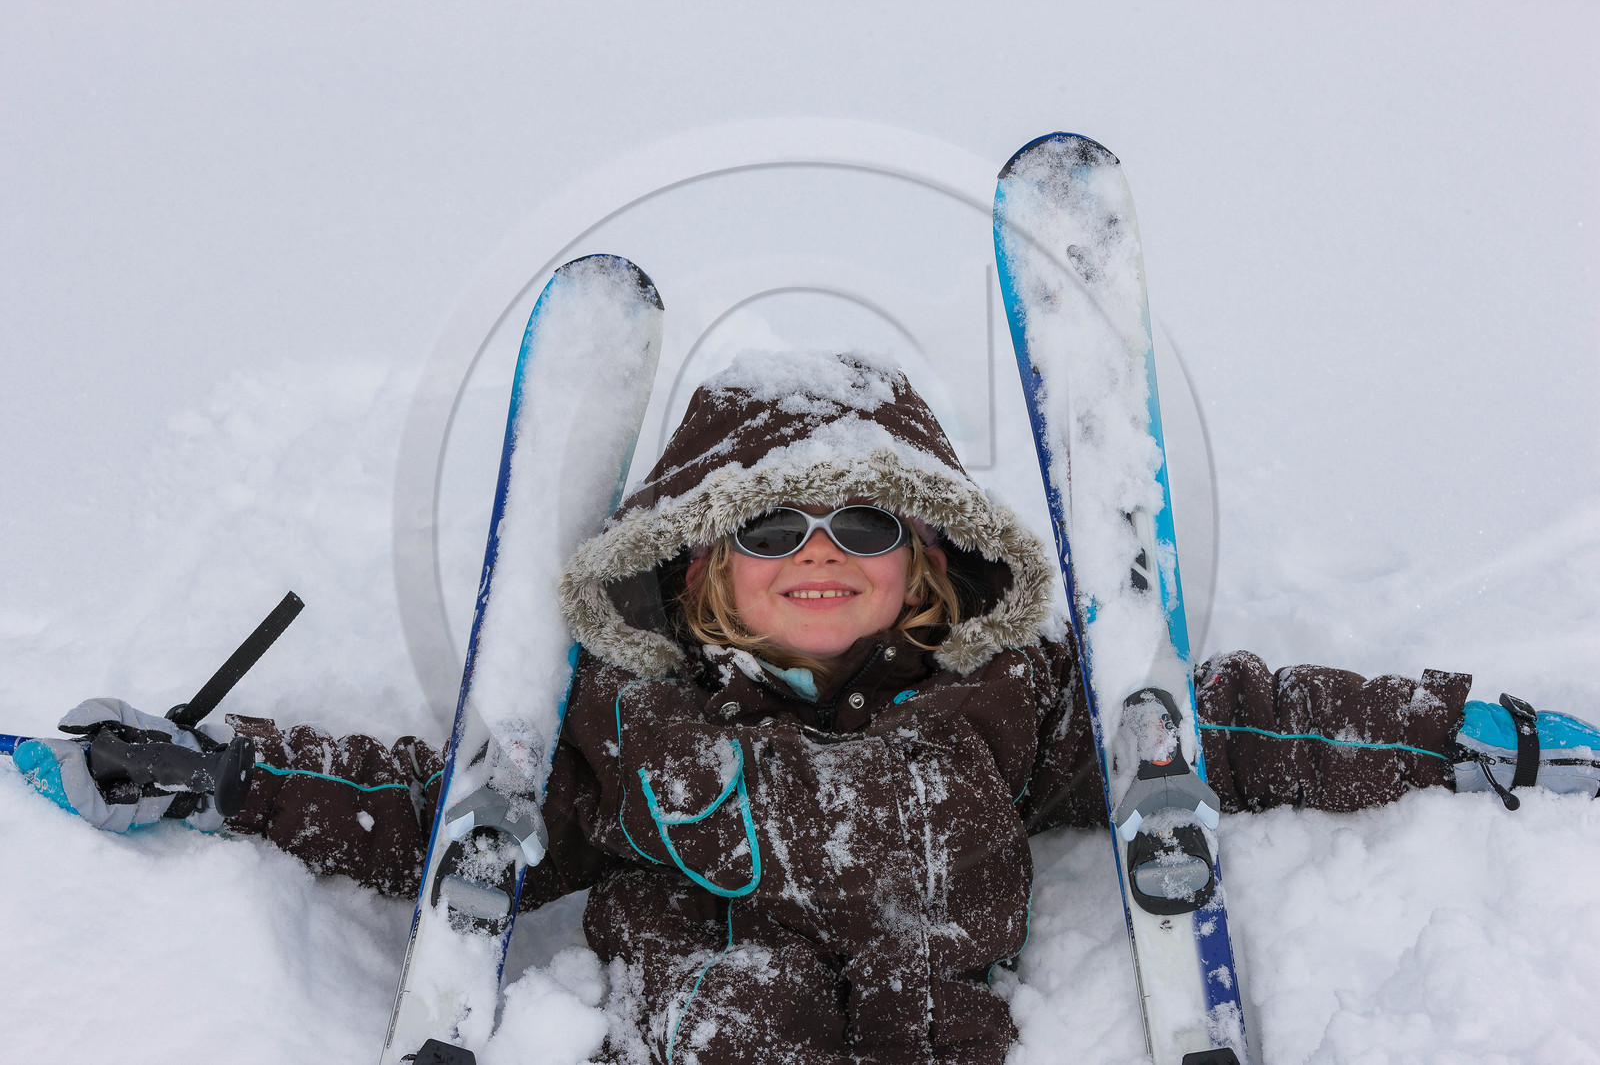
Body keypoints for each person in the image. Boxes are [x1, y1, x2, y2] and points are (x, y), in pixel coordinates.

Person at [16, 352, 1599, 1065]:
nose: (818, 557)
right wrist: (227, 776)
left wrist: (1465, 732)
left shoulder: (1010, 703)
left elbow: (1231, 727)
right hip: (713, 1030)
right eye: (772, 530)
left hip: (934, 1029)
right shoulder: (632, 735)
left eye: (862, 524)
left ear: (927, 558)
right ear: (700, 569)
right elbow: (448, 817)